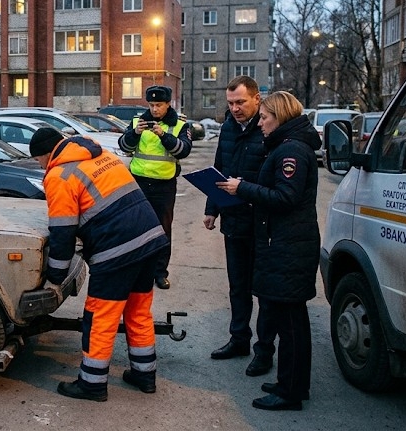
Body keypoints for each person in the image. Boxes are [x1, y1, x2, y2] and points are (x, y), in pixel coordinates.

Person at [29, 127, 170, 402]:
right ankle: (145, 376)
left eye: (38, 160)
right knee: (138, 312)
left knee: (99, 319)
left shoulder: (60, 175)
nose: (40, 165)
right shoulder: (100, 154)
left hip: (117, 252)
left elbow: (63, 231)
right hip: (150, 240)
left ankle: (92, 384)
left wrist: (56, 275)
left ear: (46, 154)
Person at [215, 91, 321, 411]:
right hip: (284, 245)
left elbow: (285, 197)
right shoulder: (286, 146)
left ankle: (290, 392)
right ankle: (289, 383)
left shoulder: (291, 151)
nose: (260, 123)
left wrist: (242, 189)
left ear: (280, 117)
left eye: (264, 117)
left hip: (288, 248)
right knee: (290, 321)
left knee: (291, 326)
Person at [204, 76, 276, 377]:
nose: (234, 109)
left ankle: (264, 351)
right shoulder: (228, 128)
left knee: (264, 289)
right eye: (230, 103)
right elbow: (220, 167)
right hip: (234, 220)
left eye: (240, 102)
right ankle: (239, 340)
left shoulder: (268, 129)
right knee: (238, 286)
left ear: (257, 99)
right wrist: (212, 208)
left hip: (262, 222)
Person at [119, 85, 193, 289]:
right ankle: (137, 270)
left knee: (162, 230)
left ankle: (160, 273)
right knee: (136, 228)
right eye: (151, 105)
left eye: (159, 105)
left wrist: (163, 135)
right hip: (139, 183)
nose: (154, 109)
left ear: (168, 104)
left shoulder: (179, 125)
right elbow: (124, 146)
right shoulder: (137, 122)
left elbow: (183, 151)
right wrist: (134, 133)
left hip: (164, 186)